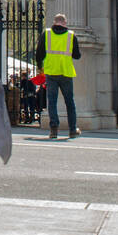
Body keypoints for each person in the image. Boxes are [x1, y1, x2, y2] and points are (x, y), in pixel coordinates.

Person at [36, 12, 80, 140]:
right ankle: (72, 129)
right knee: (69, 102)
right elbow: (77, 55)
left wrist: (40, 66)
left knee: (52, 102)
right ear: (65, 23)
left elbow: (39, 53)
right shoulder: (71, 36)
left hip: (51, 72)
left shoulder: (47, 34)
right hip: (66, 72)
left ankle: (54, 129)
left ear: (54, 22)